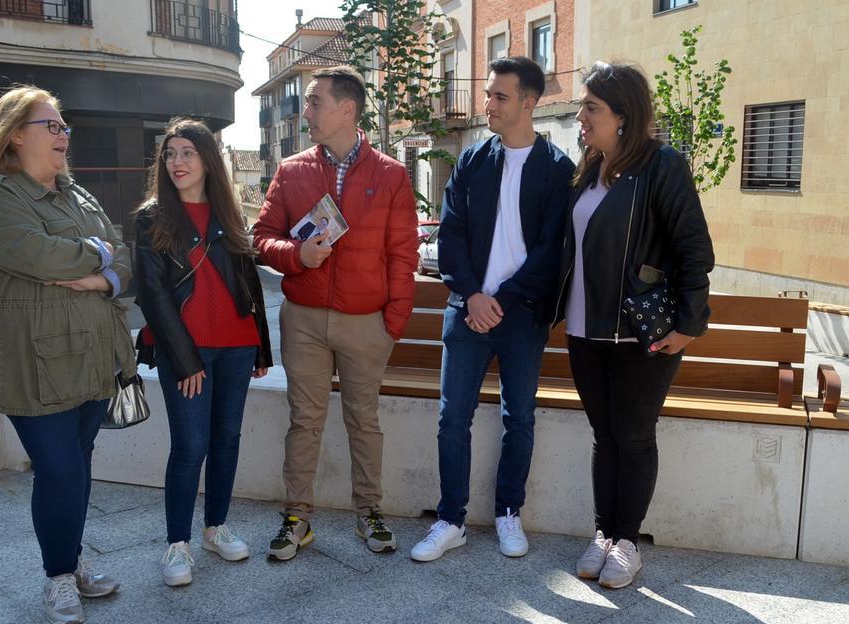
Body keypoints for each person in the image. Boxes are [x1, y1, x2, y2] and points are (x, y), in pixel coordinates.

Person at [0, 85, 135, 624]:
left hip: (91, 354)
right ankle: (58, 576)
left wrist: (101, 275)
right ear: (15, 135)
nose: (64, 136)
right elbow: (38, 254)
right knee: (58, 470)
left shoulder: (77, 195)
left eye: (64, 128)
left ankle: (71, 562)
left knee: (77, 469)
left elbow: (124, 257)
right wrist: (94, 255)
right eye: (51, 126)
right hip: (30, 362)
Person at [554, 62, 714, 589]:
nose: (580, 117)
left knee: (634, 435)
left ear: (622, 115)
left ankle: (627, 542)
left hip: (641, 331)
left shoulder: (662, 165)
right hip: (584, 328)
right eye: (582, 107)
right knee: (605, 434)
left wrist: (690, 322)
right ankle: (603, 533)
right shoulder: (588, 167)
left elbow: (694, 247)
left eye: (590, 108)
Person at [409, 57, 575, 563]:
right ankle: (450, 519)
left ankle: (508, 512)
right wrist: (474, 294)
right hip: (468, 309)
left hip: (522, 316)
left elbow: (552, 251)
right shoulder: (473, 161)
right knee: (451, 418)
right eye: (487, 94)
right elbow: (451, 232)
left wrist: (501, 300)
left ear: (529, 102)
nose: (488, 104)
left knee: (518, 417)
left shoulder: (558, 170)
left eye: (499, 96)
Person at [253, 65, 418, 561]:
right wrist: (295, 256)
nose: (306, 112)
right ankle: (297, 516)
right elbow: (262, 239)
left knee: (363, 421)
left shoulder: (390, 174)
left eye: (314, 101)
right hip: (303, 318)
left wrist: (392, 325)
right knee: (305, 420)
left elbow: (404, 255)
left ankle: (369, 511)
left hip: (367, 323)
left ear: (347, 110)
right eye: (306, 102)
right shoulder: (291, 170)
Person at [133, 118, 274, 586]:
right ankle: (178, 544)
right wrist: (185, 359)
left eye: (187, 153)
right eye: (170, 154)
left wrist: (261, 346)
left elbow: (248, 282)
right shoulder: (153, 217)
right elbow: (153, 296)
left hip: (236, 346)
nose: (177, 162)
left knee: (226, 440)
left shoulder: (227, 211)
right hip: (186, 352)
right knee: (190, 446)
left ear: (208, 161)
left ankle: (215, 527)